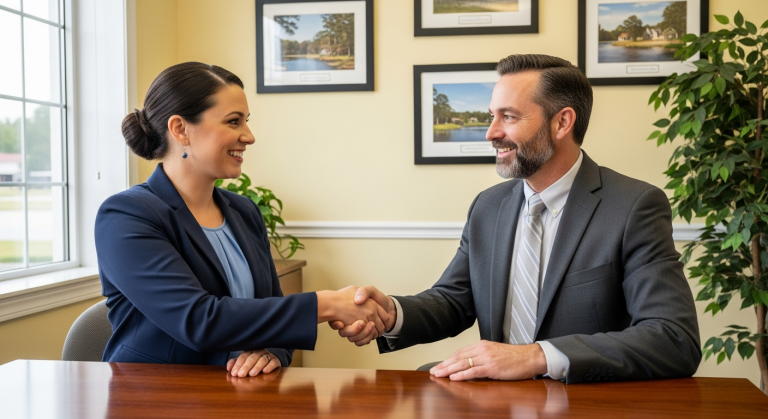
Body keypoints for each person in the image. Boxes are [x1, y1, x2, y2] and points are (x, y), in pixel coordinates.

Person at [333, 54, 701, 383]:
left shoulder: (634, 206)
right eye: (492, 116)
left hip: (583, 402)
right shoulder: (488, 206)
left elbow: (674, 338)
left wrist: (535, 356)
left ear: (562, 123)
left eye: (508, 117)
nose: (492, 132)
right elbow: (454, 301)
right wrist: (391, 313)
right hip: (494, 403)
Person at [96, 62, 388, 377]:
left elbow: (270, 312)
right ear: (180, 129)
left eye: (246, 122)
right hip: (157, 400)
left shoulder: (244, 211)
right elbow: (199, 321)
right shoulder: (126, 216)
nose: (248, 136)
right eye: (234, 122)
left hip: (242, 397)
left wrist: (272, 351)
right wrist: (327, 304)